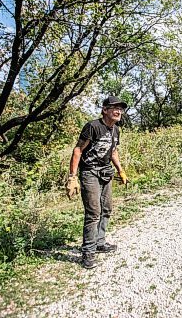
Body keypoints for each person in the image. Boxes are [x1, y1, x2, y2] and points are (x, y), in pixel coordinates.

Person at [66, 96, 128, 269]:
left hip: (105, 172)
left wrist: (120, 170)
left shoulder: (116, 130)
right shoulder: (93, 127)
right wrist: (72, 177)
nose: (118, 111)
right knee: (93, 212)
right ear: (105, 110)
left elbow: (113, 151)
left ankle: (100, 242)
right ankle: (88, 252)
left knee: (106, 209)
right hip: (90, 173)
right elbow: (78, 150)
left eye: (120, 109)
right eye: (114, 108)